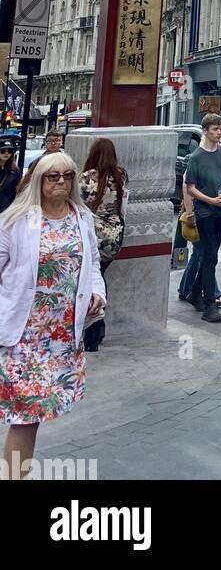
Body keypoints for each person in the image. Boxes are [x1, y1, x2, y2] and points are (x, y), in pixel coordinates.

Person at [0, 152, 106, 479]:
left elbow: (92, 267)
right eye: (52, 176)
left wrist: (97, 294)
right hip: (24, 336)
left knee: (32, 417)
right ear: (38, 181)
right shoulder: (16, 221)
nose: (61, 181)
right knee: (25, 418)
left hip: (61, 338)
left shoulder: (82, 219)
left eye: (67, 175)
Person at [182, 114, 221, 323]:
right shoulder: (196, 157)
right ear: (205, 131)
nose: (219, 132)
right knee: (210, 254)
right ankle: (209, 303)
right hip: (205, 212)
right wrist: (209, 201)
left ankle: (196, 294)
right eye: (215, 129)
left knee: (210, 255)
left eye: (220, 129)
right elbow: (190, 188)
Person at [77, 139, 128, 352]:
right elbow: (123, 203)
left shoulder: (86, 177)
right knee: (100, 274)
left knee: (91, 276)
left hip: (93, 231)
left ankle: (94, 327)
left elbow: (77, 203)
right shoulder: (120, 175)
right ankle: (97, 327)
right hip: (115, 232)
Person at [0, 143, 21, 215]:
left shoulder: (15, 170)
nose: (6, 153)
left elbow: (18, 189)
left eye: (9, 151)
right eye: (3, 151)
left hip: (8, 208)